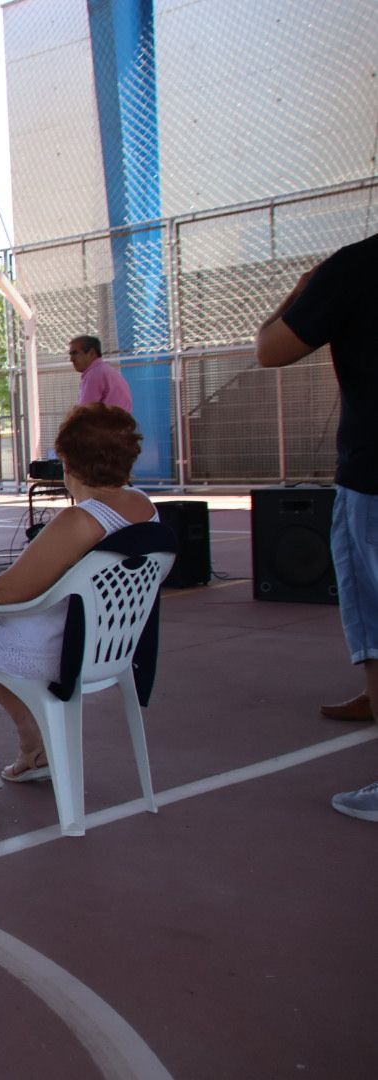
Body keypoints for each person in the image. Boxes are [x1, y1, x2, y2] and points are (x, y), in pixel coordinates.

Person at [0, 404, 158, 803]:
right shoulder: (144, 508)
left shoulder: (81, 521)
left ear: (68, 463)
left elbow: (7, 590)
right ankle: (33, 747)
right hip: (112, 649)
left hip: (61, 653)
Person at [255, 233, 378, 821]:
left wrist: (298, 294)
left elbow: (271, 349)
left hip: (375, 479)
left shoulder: (356, 265)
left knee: (376, 627)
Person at [70, 335, 133, 410]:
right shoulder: (106, 371)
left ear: (91, 353)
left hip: (107, 421)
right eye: (70, 354)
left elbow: (84, 413)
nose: (71, 359)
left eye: (75, 353)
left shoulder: (94, 375)